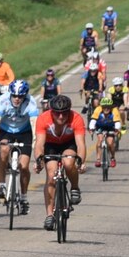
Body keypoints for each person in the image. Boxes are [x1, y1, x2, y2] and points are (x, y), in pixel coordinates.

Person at [34, 94, 88, 226]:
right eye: (57, 113)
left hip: (68, 144)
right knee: (51, 175)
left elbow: (80, 144)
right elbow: (39, 144)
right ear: (51, 112)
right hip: (51, 145)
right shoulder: (43, 119)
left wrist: (80, 160)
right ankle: (49, 215)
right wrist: (38, 160)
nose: (61, 117)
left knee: (69, 163)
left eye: (64, 113)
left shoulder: (76, 118)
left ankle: (74, 188)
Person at [0, 81, 38, 210]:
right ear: (10, 94)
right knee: (4, 149)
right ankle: (1, 184)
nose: (17, 99)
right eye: (14, 96)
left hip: (24, 131)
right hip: (6, 130)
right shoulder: (3, 100)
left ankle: (24, 197)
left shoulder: (31, 102)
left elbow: (34, 124)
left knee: (23, 167)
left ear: (25, 96)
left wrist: (35, 141)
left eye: (20, 96)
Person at [90, 94, 121, 172]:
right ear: (101, 107)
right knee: (99, 141)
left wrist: (117, 129)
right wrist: (91, 128)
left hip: (111, 127)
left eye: (108, 107)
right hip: (100, 127)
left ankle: (112, 158)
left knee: (110, 143)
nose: (106, 109)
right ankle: (98, 159)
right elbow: (93, 120)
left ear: (111, 107)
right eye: (104, 107)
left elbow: (117, 121)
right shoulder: (98, 109)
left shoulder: (114, 110)